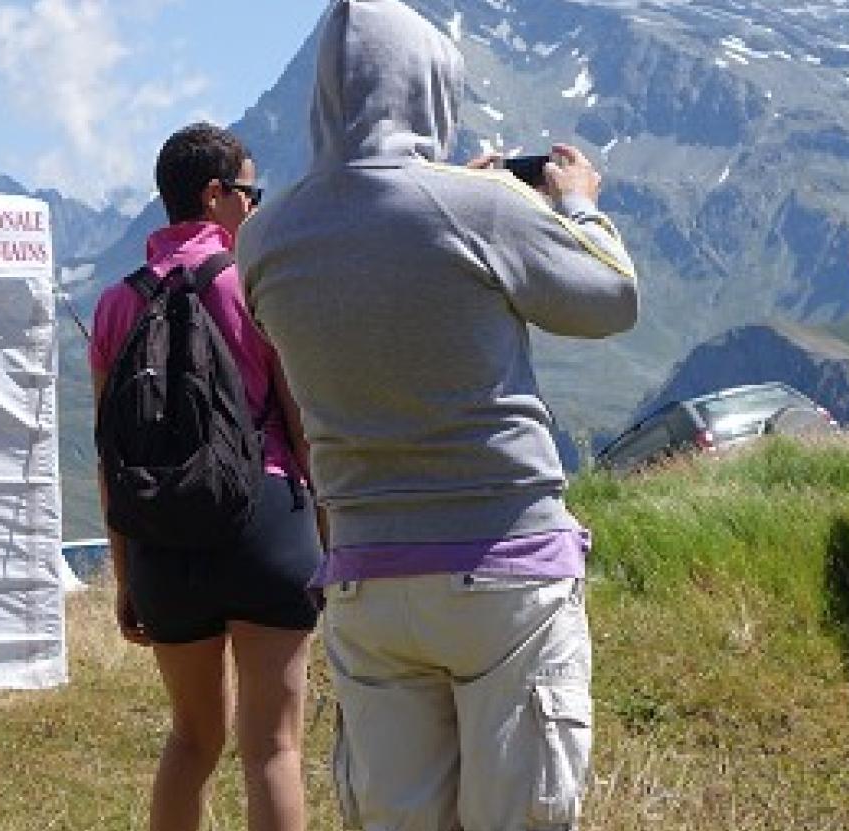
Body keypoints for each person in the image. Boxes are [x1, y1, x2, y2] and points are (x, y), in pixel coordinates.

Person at [236, 1, 639, 829]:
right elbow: (611, 301)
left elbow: (374, 277)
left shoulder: (264, 237)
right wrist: (572, 204)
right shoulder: (483, 207)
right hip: (505, 566)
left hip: (362, 574)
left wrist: (454, 187)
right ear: (430, 88)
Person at [88, 122, 324, 831]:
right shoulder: (251, 282)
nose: (255, 206)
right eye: (250, 192)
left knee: (192, 740)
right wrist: (328, 536)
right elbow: (301, 427)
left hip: (163, 540)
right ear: (216, 194)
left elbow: (112, 456)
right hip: (264, 518)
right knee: (273, 747)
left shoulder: (114, 303)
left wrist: (128, 575)